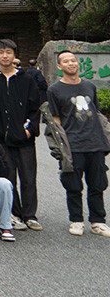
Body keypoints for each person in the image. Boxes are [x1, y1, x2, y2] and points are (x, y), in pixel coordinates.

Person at [47, 50, 110, 237]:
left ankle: (98, 221)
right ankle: (76, 220)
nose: (71, 63)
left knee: (97, 184)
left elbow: (96, 112)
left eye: (73, 60)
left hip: (95, 142)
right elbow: (55, 119)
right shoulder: (54, 90)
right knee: (73, 185)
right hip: (72, 145)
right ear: (59, 66)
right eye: (66, 61)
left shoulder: (89, 85)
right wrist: (60, 146)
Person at [0, 38, 43, 231]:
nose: (5, 56)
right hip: (1, 138)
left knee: (28, 178)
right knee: (8, 177)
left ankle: (30, 215)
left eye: (9, 52)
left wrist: (30, 130)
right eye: (1, 52)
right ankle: (15, 213)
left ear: (14, 55)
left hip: (24, 139)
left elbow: (36, 108)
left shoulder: (26, 79)